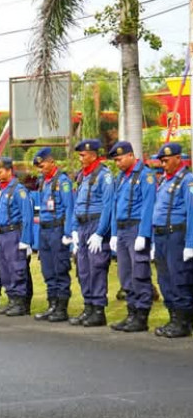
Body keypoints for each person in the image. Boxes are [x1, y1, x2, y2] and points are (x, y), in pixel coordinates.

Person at [108, 141, 156, 332]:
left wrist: (143, 234)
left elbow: (148, 206)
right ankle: (131, 313)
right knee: (125, 274)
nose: (117, 163)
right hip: (121, 230)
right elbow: (114, 205)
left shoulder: (145, 176)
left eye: (119, 159)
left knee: (140, 273)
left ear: (130, 155)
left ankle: (141, 316)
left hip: (136, 228)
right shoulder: (120, 177)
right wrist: (113, 233)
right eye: (115, 160)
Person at [70, 139, 114, 328]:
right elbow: (76, 204)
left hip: (95, 225)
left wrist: (100, 232)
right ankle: (88, 306)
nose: (81, 159)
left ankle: (98, 310)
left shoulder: (104, 176)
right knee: (83, 270)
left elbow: (108, 205)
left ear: (94, 155)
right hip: (82, 226)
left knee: (96, 268)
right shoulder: (82, 176)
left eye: (83, 155)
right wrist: (73, 228)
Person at [151, 142, 193, 338]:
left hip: (176, 235)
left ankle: (183, 322)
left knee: (179, 278)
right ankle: (173, 317)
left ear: (178, 158)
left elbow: (192, 213)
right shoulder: (165, 182)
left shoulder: (187, 181)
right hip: (161, 236)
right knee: (164, 278)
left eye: (167, 160)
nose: (164, 164)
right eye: (162, 161)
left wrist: (190, 244)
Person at [32, 147, 74, 322]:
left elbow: (69, 207)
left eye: (42, 166)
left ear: (51, 162)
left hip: (57, 229)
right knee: (47, 269)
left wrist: (67, 232)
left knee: (60, 268)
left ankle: (62, 308)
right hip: (45, 229)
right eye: (39, 167)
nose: (40, 170)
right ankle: (52, 304)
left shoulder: (62, 181)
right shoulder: (44, 182)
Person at [0, 157, 33, 316]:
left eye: (0, 171)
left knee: (17, 267)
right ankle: (11, 299)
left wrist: (25, 240)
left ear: (9, 171)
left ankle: (20, 301)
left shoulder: (18, 190)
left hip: (13, 233)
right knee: (5, 269)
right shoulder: (2, 190)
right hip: (2, 234)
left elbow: (26, 216)